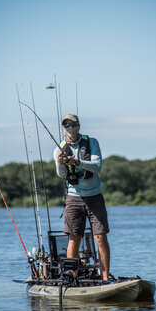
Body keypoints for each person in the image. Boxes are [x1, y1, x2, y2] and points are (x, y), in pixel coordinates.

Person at [53, 114, 110, 281]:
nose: (70, 128)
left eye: (73, 124)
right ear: (64, 128)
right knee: (74, 238)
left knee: (100, 236)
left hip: (94, 196)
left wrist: (77, 162)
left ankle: (105, 278)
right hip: (73, 198)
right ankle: (72, 276)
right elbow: (61, 174)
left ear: (78, 126)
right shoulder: (59, 149)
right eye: (67, 125)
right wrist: (60, 163)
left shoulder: (92, 142)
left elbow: (98, 166)